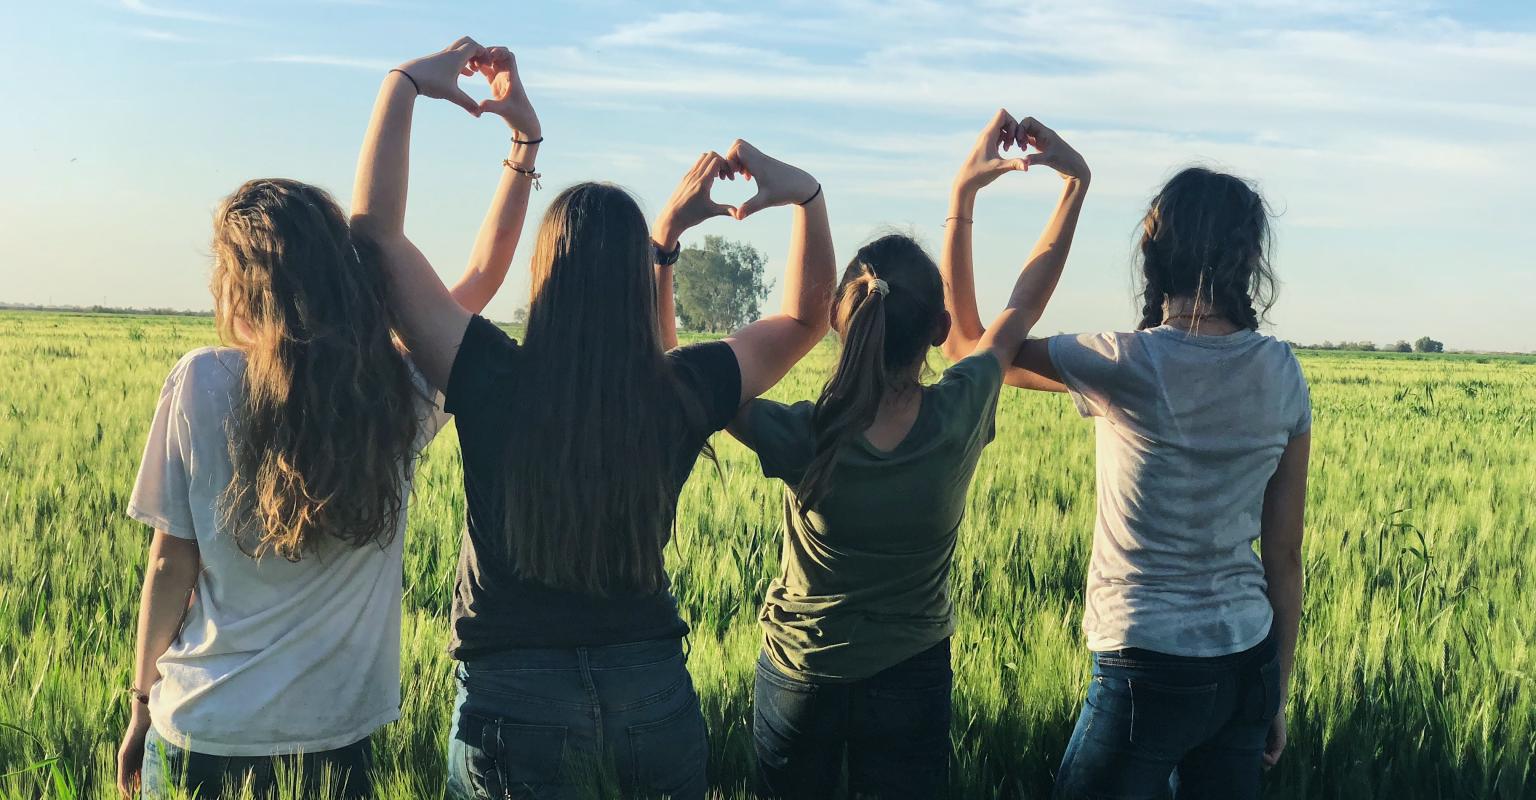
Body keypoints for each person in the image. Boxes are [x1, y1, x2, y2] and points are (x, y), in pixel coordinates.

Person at [349, 38, 837, 800]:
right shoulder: (681, 389)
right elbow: (807, 318)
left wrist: (407, 82)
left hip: (513, 704)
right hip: (653, 697)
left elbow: (374, 238)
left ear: (545, 276)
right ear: (633, 285)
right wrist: (805, 195)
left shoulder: (487, 373)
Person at [115, 51, 532, 800]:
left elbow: (168, 566)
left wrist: (142, 702)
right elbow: (481, 278)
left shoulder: (199, 381)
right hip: (335, 744)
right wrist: (521, 149)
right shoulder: (393, 393)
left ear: (237, 285)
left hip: (201, 731)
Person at [720, 110, 1089, 799]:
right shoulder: (960, 409)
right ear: (939, 329)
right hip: (912, 677)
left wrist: (665, 251)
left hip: (802, 676)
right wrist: (1064, 186)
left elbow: (696, 382)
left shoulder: (805, 434)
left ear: (840, 324)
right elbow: (1021, 305)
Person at [942, 161, 1311, 798]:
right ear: (1249, 259)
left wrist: (964, 196)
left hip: (1147, 665)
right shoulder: (1282, 371)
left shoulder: (1125, 362)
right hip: (1246, 662)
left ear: (1154, 250)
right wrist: (1274, 695)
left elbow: (968, 344)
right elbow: (1284, 556)